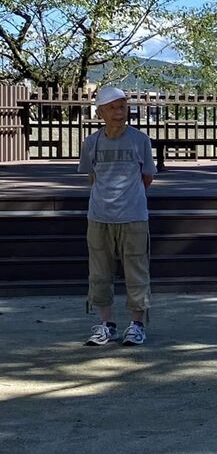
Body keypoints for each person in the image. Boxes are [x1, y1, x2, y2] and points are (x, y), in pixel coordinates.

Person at [79, 86, 156, 346]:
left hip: (133, 216)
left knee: (137, 272)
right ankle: (105, 324)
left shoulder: (140, 140)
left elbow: (147, 177)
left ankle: (136, 325)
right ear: (100, 112)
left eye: (122, 106)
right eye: (111, 108)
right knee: (99, 274)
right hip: (99, 216)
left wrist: (129, 197)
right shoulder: (91, 142)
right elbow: (92, 176)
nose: (118, 112)